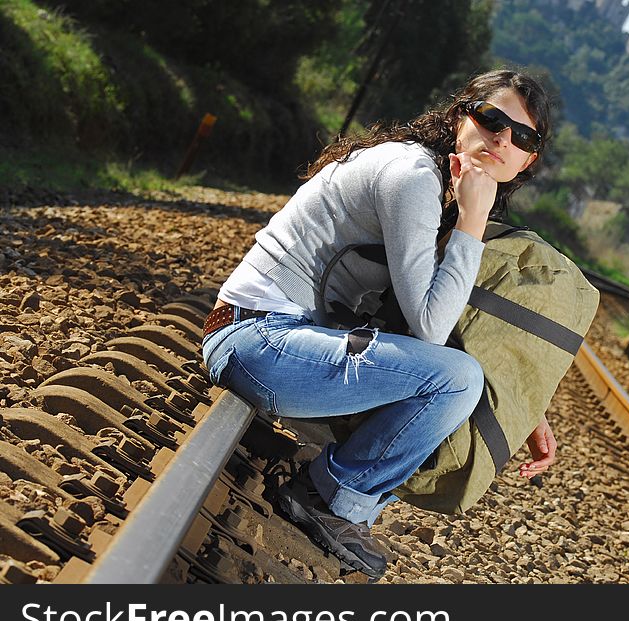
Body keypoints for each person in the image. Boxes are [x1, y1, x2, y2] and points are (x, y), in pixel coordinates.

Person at [201, 70, 555, 580]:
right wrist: (473, 223)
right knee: (455, 379)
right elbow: (433, 328)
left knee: (455, 373)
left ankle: (333, 491)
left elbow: (443, 320)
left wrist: (525, 400)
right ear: (462, 115)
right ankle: (329, 499)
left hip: (276, 340)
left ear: (529, 160)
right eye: (492, 119)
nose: (502, 138)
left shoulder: (437, 184)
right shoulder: (413, 177)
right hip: (256, 340)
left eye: (522, 136)